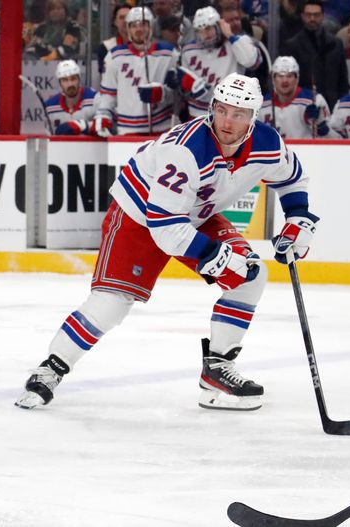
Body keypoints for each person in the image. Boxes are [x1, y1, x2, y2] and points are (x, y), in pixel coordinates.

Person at [16, 73, 319, 413]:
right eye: (221, 110)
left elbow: (293, 179)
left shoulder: (268, 143)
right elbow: (164, 225)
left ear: (254, 117)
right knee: (112, 302)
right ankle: (52, 368)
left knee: (250, 275)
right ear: (212, 108)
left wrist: (298, 219)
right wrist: (213, 255)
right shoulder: (187, 149)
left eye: (238, 114)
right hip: (141, 214)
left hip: (193, 213)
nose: (227, 121)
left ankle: (216, 370)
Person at [95, 7, 201, 136]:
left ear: (151, 27)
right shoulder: (114, 56)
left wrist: (163, 94)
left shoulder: (169, 54)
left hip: (163, 129)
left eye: (143, 24)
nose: (139, 29)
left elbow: (181, 95)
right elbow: (108, 94)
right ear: (128, 29)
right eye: (134, 25)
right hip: (127, 130)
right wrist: (103, 116)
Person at [181, 6, 263, 118]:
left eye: (209, 28)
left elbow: (252, 62)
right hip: (198, 115)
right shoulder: (188, 51)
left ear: (219, 26)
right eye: (201, 31)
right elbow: (186, 86)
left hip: (230, 114)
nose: (206, 34)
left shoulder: (236, 43)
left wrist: (230, 35)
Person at [281, 0, 349, 110]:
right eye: (308, 15)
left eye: (316, 15)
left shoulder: (336, 44)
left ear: (322, 16)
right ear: (302, 16)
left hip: (333, 105)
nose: (312, 19)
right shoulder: (292, 46)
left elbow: (343, 80)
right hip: (303, 106)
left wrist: (343, 105)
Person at [259, 56, 331, 138]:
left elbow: (336, 140)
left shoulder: (314, 100)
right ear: (273, 79)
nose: (285, 80)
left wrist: (321, 125)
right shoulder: (262, 105)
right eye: (280, 76)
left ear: (297, 78)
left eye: (289, 76)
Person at [44, 59, 98, 135]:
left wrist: (82, 125)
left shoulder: (95, 99)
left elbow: (109, 126)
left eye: (73, 79)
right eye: (65, 80)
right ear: (60, 83)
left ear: (79, 79)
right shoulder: (50, 107)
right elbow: (50, 138)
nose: (70, 84)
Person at [97, 3, 130, 73]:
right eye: (121, 17)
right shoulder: (106, 47)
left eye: (128, 17)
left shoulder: (144, 46)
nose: (125, 21)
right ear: (115, 22)